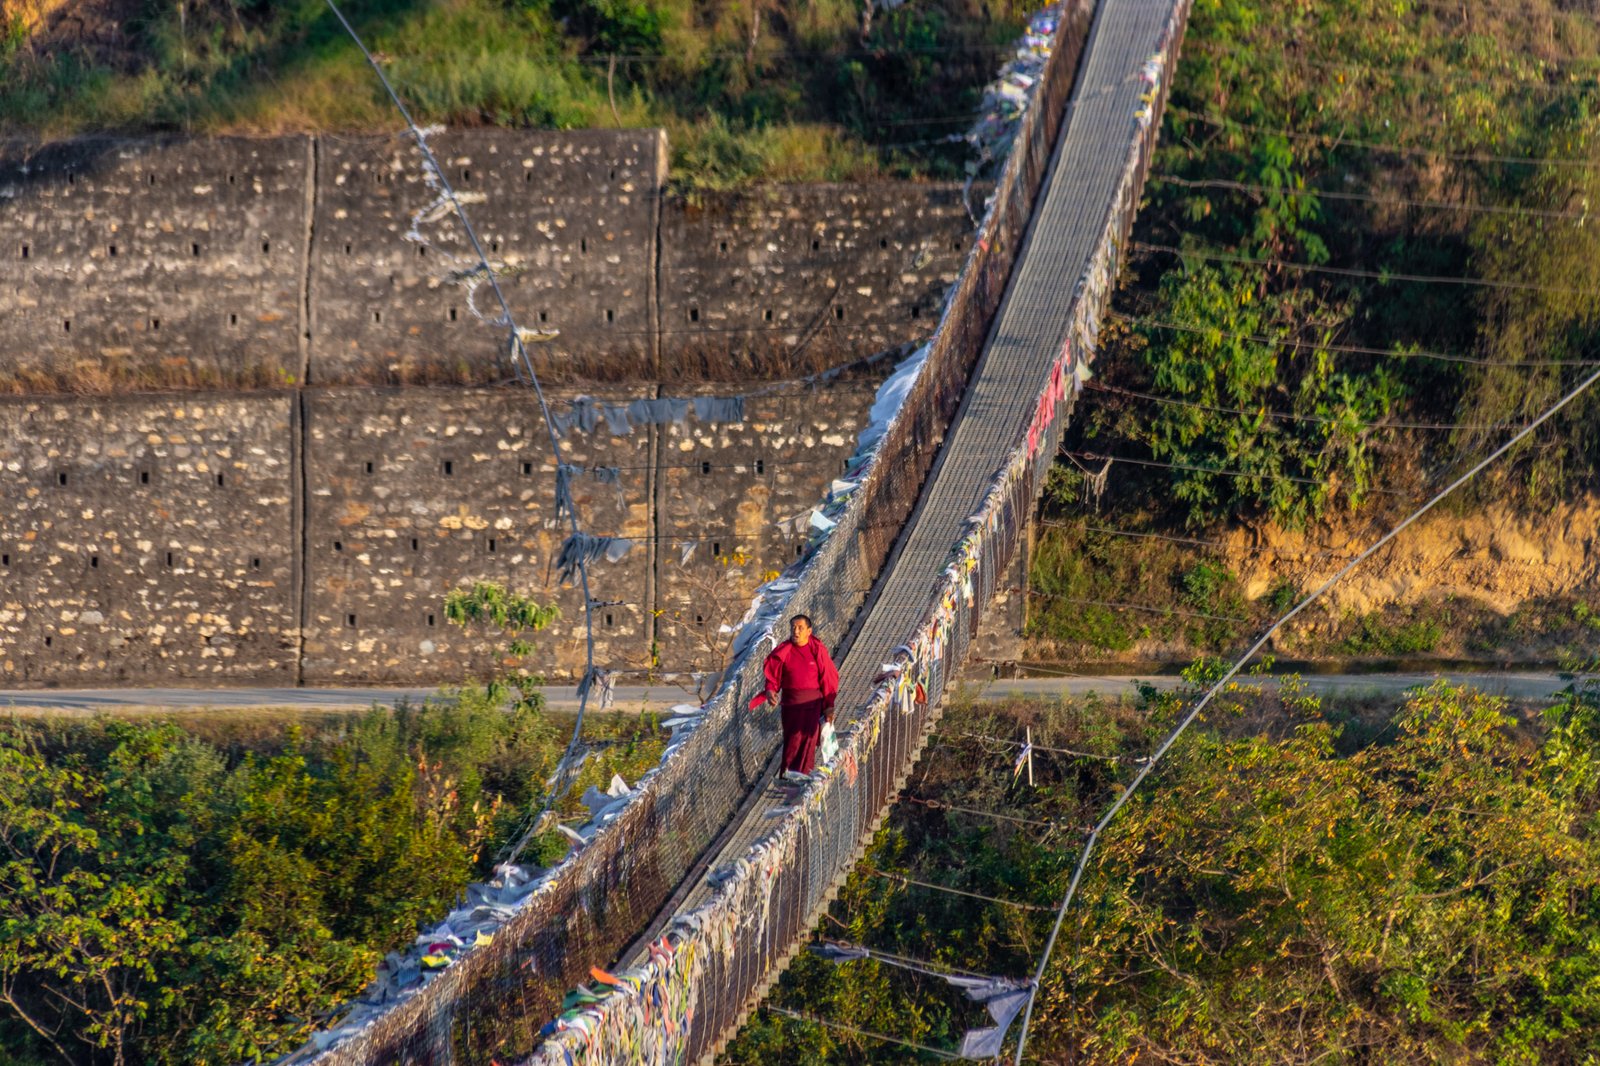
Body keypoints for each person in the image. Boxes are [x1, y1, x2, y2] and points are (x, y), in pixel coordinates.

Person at [748, 614, 840, 775]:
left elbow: (828, 678)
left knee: (809, 741)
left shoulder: (817, 650)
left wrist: (829, 705)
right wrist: (770, 691)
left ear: (809, 631)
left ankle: (803, 780)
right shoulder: (784, 650)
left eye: (800, 628)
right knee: (793, 743)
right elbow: (773, 676)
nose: (796, 631)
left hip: (813, 705)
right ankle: (789, 779)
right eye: (793, 627)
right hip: (791, 706)